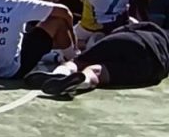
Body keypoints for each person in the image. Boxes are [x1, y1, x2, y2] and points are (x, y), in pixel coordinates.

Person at [34, 22, 169, 98]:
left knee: (78, 62)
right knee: (96, 72)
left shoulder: (155, 28)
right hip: (154, 66)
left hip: (131, 39)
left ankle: (61, 73)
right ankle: (83, 81)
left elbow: (123, 29)